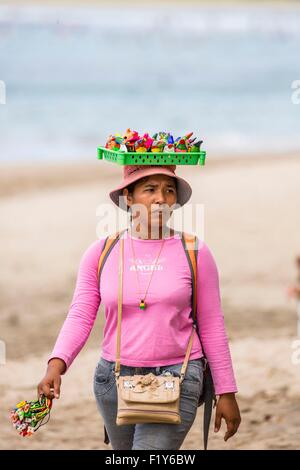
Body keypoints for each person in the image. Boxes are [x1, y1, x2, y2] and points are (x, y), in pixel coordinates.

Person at [37, 164, 241, 450]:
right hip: (113, 379)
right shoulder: (101, 252)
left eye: (169, 191)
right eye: (150, 189)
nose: (161, 198)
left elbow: (211, 324)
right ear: (128, 198)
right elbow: (81, 314)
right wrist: (56, 364)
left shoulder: (195, 251)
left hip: (178, 377)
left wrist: (227, 391)